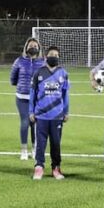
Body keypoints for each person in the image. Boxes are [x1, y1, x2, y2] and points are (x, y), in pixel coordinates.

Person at [30, 46, 69, 180]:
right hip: (41, 115)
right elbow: (32, 94)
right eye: (52, 54)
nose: (54, 57)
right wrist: (31, 111)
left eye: (56, 55)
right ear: (46, 57)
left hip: (57, 115)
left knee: (56, 143)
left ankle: (56, 168)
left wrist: (66, 112)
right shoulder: (38, 73)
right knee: (40, 143)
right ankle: (39, 167)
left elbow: (65, 94)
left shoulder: (63, 73)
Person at [10, 37, 45, 160]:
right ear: (26, 47)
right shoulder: (19, 61)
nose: (33, 48)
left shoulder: (43, 62)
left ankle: (34, 149)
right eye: (31, 45)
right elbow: (13, 79)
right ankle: (24, 150)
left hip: (37, 99)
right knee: (25, 123)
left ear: (39, 48)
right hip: (22, 98)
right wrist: (22, 86)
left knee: (34, 124)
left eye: (35, 46)